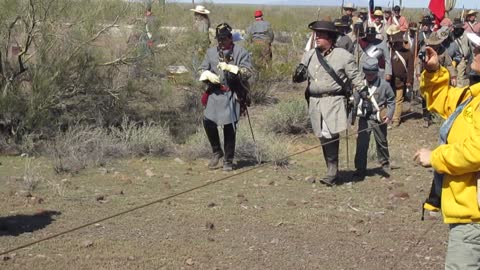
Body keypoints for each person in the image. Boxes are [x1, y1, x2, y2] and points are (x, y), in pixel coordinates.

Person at [413, 31, 480, 270]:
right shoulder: (473, 96)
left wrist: (435, 157)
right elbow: (441, 100)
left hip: (474, 217)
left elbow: (476, 152)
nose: (475, 52)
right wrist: (433, 70)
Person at [292, 20, 364, 186]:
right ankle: (331, 168)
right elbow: (299, 77)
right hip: (315, 102)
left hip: (334, 100)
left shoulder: (343, 56)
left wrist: (366, 95)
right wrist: (298, 75)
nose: (317, 38)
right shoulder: (310, 55)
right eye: (316, 34)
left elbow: (356, 78)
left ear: (330, 38)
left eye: (321, 35)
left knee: (330, 133)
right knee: (322, 136)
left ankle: (332, 171)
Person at [198, 23, 253, 171]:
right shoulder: (210, 53)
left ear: (230, 38)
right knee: (208, 121)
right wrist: (206, 74)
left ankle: (228, 160)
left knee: (229, 127)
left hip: (232, 92)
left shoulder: (241, 52)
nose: (220, 42)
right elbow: (202, 68)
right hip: (215, 92)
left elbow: (248, 72)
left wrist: (234, 68)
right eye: (218, 39)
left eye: (223, 39)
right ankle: (217, 151)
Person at [352, 57, 395, 180]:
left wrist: (389, 115)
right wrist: (352, 118)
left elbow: (391, 100)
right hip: (364, 118)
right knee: (361, 144)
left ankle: (385, 164)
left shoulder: (385, 85)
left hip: (379, 118)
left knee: (381, 142)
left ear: (376, 72)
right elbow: (355, 102)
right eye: (367, 73)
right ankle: (360, 168)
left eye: (372, 73)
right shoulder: (360, 85)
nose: (370, 76)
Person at [389, 32, 414, 128]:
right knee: (390, 99)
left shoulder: (408, 53)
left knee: (398, 100)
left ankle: (396, 119)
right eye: (396, 42)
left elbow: (410, 68)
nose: (398, 44)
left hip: (400, 80)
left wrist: (409, 80)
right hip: (390, 80)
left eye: (400, 42)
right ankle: (388, 117)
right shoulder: (390, 51)